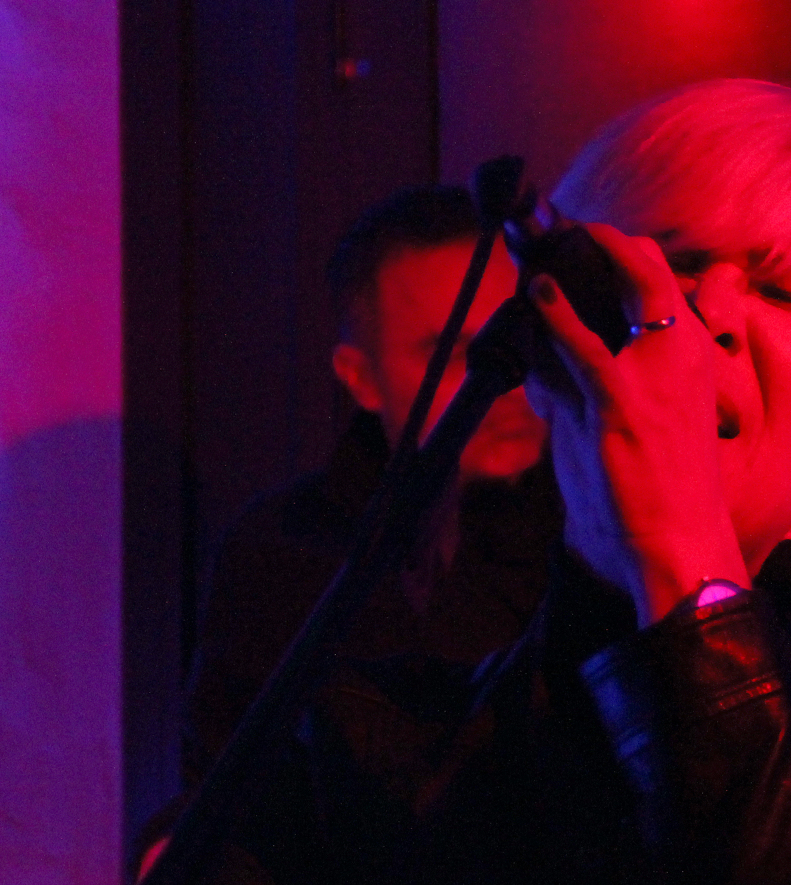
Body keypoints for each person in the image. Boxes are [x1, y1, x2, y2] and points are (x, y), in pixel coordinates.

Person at [202, 80, 791, 884]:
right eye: (672, 264)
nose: (705, 313)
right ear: (552, 347)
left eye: (790, 293)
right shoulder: (363, 749)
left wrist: (685, 572)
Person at [183, 185, 554, 782]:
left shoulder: (615, 527)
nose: (506, 381)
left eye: (516, 340)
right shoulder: (281, 558)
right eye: (451, 353)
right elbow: (226, 790)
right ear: (362, 379)